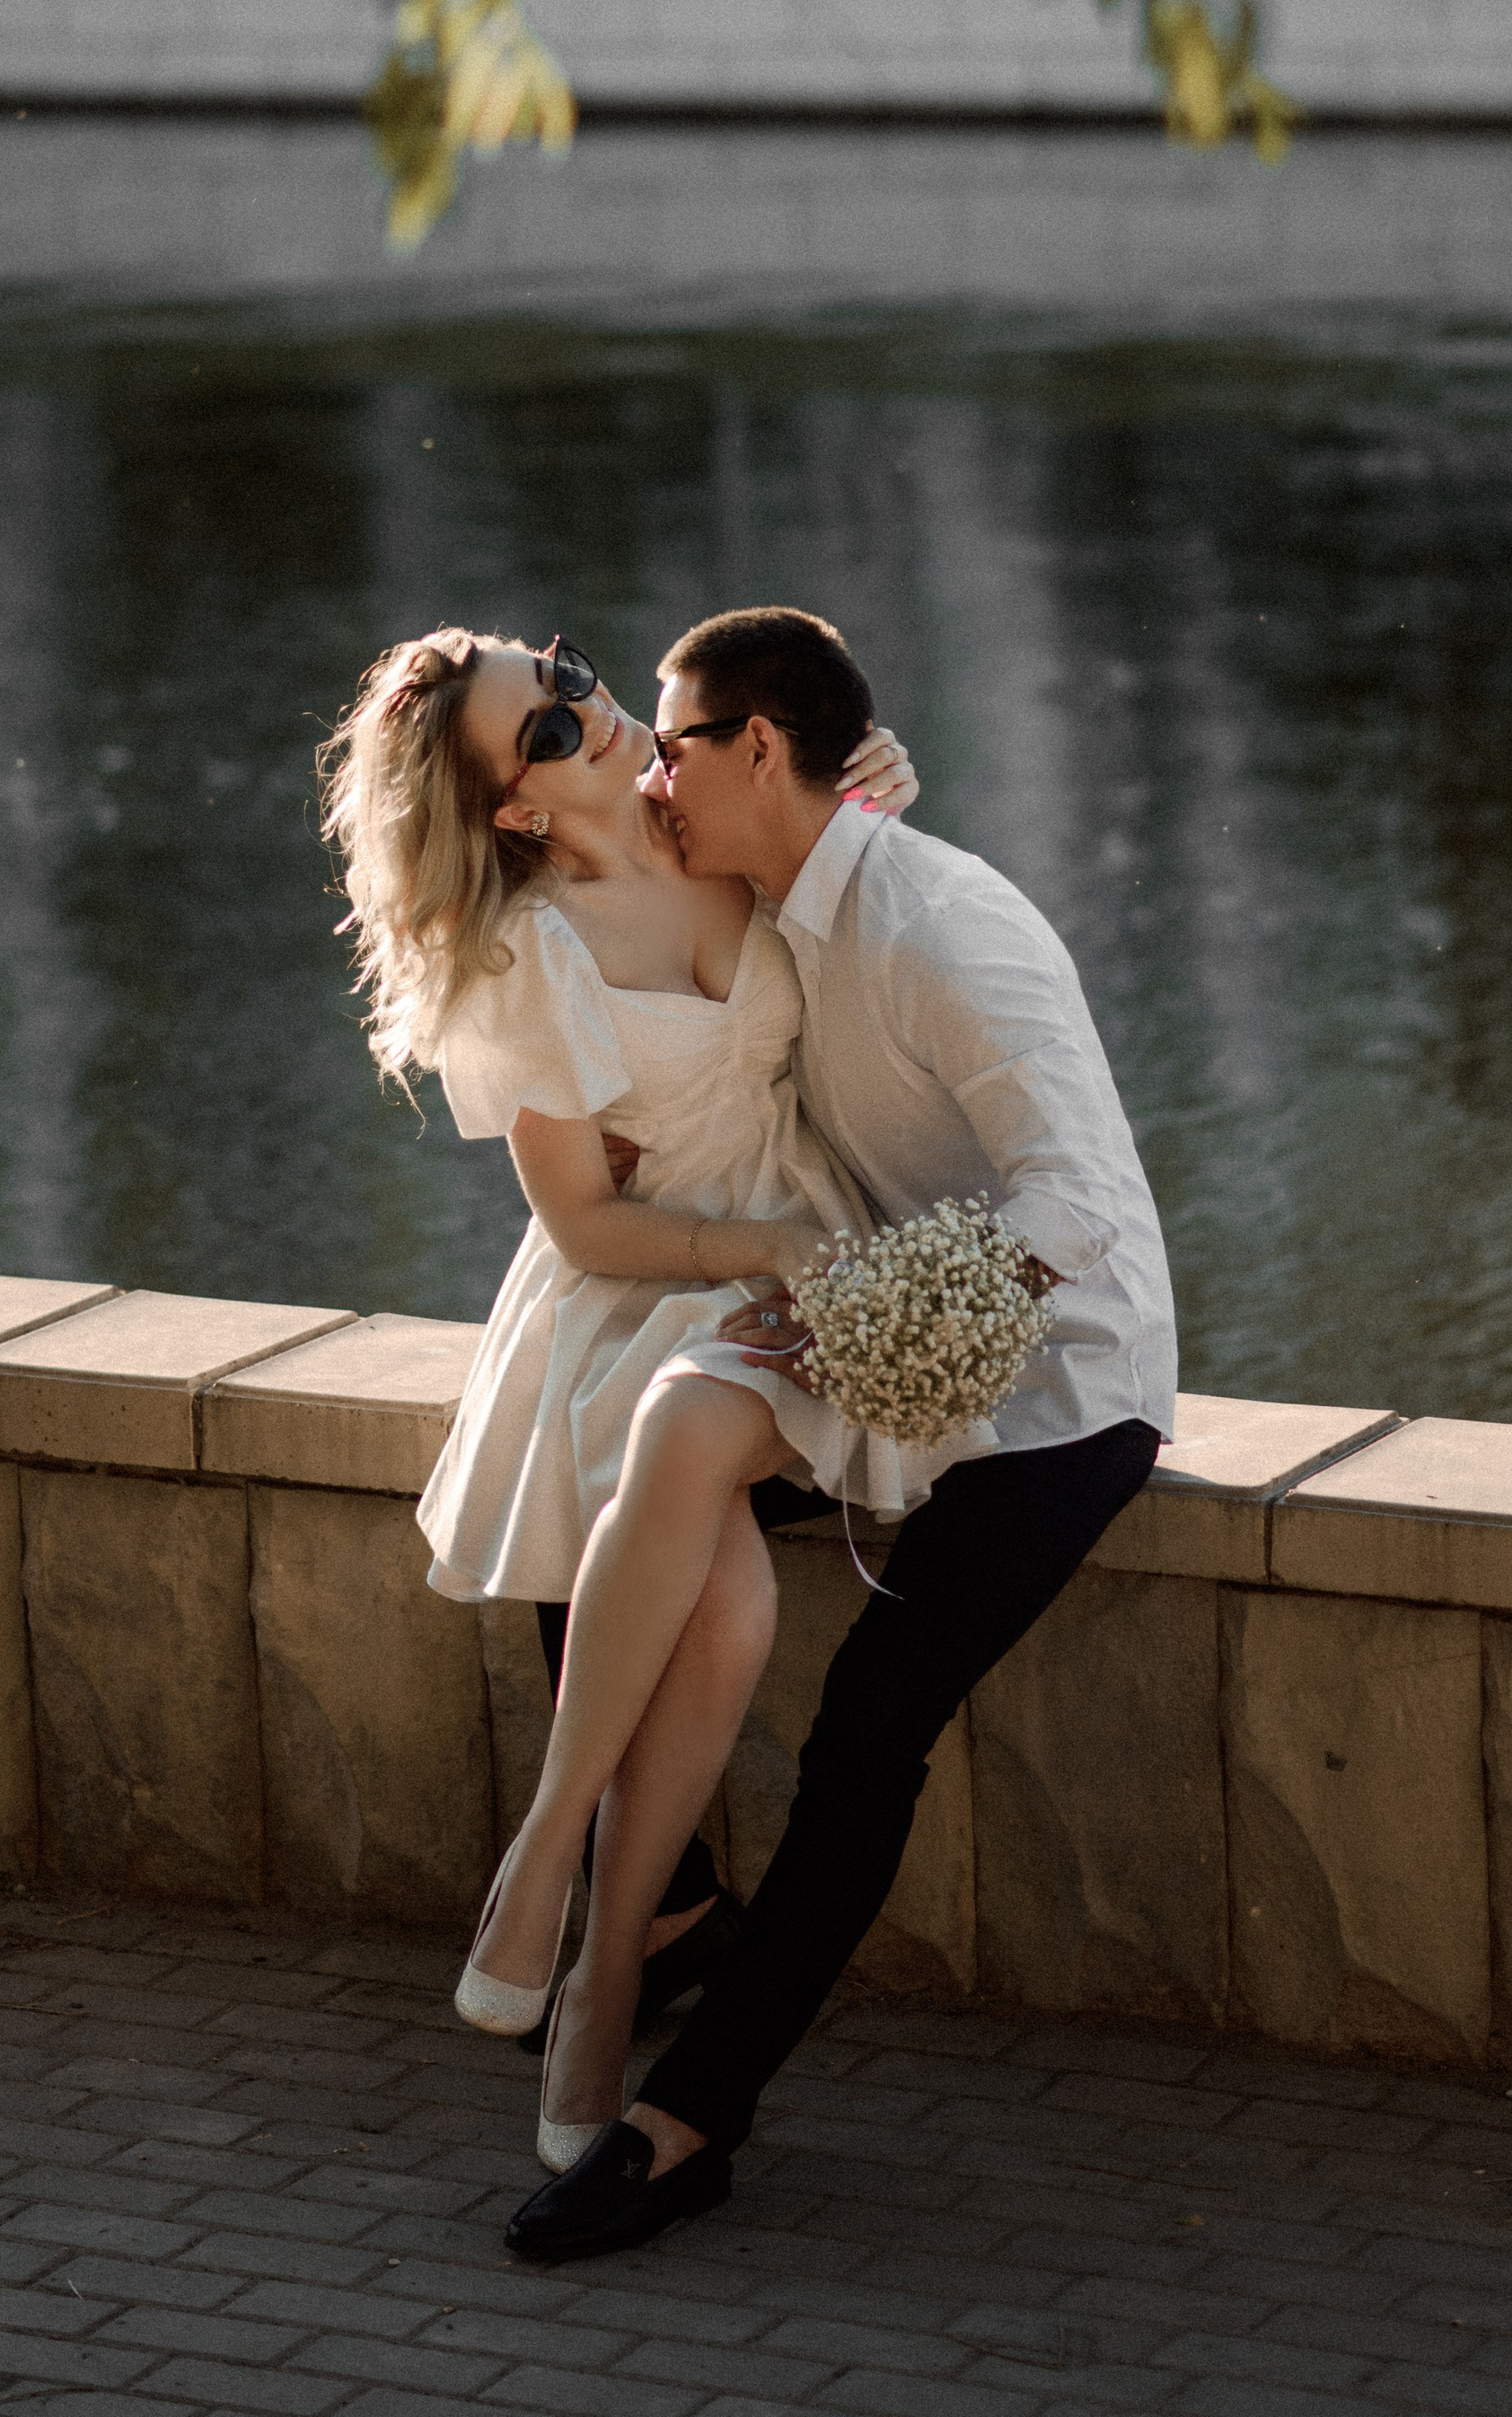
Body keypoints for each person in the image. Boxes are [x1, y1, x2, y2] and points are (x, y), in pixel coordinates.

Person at [504, 604, 1177, 2263]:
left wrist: (879, 1320)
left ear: (753, 749)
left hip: (1056, 1394)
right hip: (867, 1340)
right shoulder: (770, 880)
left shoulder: (950, 927)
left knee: (869, 1725)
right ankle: (646, 1919)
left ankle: (685, 2126)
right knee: (595, 1495)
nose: (649, 768)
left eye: (673, 740)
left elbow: (1078, 1201)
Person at [319, 625, 966, 2176]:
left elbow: (847, 856)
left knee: (704, 1545)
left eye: (568, 673)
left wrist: (854, 791)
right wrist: (773, 1252)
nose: (587, 714)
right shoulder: (527, 956)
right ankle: (596, 1961)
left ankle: (564, 1905)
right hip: (645, 1288)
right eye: (541, 732)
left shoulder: (707, 814)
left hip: (798, 1258)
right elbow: (586, 1228)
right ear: (514, 813)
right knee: (723, 1588)